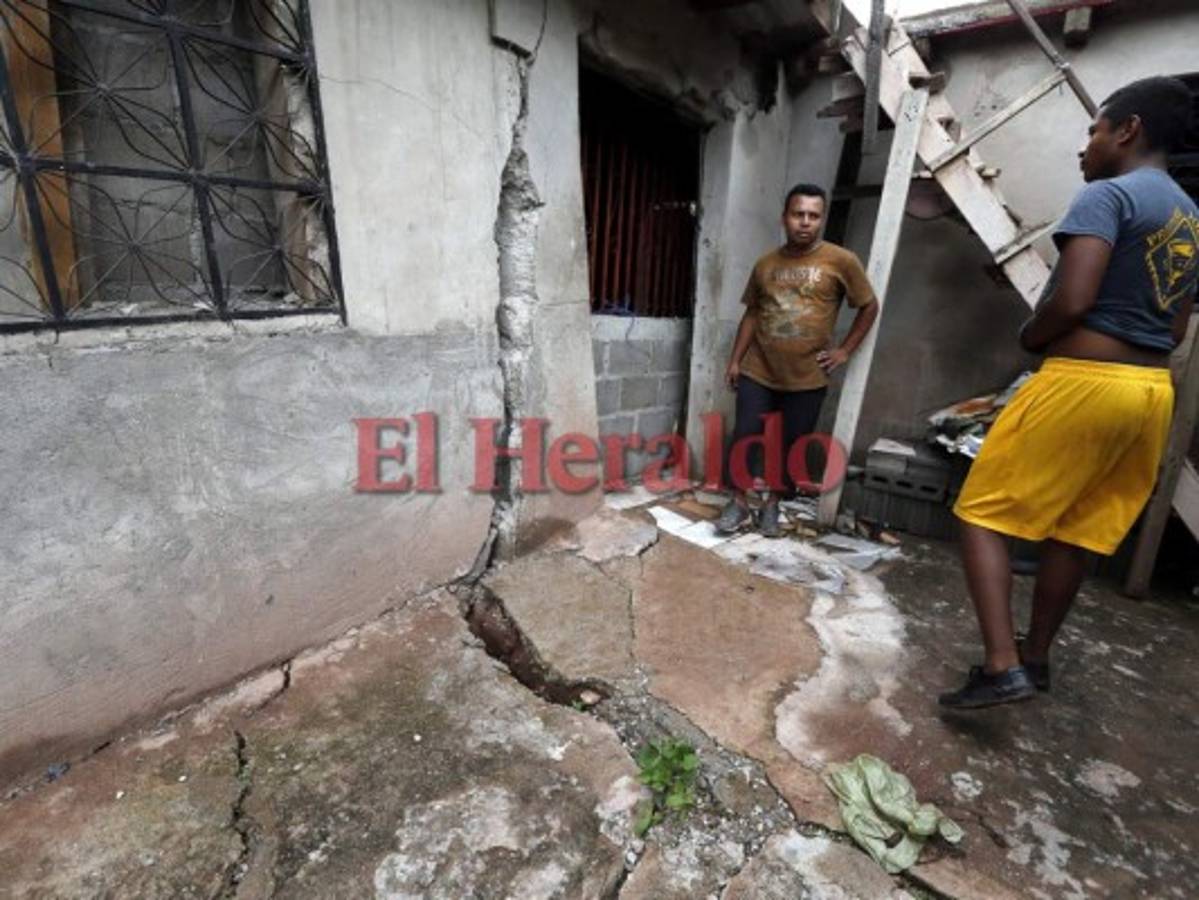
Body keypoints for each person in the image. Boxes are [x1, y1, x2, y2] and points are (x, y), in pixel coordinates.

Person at [940, 76, 1199, 710]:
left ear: (1128, 130)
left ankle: (1002, 667)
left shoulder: (1108, 195)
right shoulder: (1193, 217)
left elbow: (1075, 298)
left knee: (981, 514)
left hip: (1084, 383)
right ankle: (1037, 658)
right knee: (1078, 531)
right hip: (1149, 393)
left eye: (1094, 130)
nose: (1085, 146)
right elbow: (1177, 324)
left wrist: (1033, 333)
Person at [716, 183, 879, 537]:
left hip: (807, 376)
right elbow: (752, 315)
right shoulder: (766, 264)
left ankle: (771, 505)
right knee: (745, 434)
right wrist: (734, 361)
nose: (805, 222)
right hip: (758, 370)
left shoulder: (841, 261)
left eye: (813, 215)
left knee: (789, 443)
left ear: (820, 219)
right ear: (785, 218)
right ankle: (739, 503)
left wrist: (844, 350)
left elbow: (869, 305)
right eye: (798, 214)